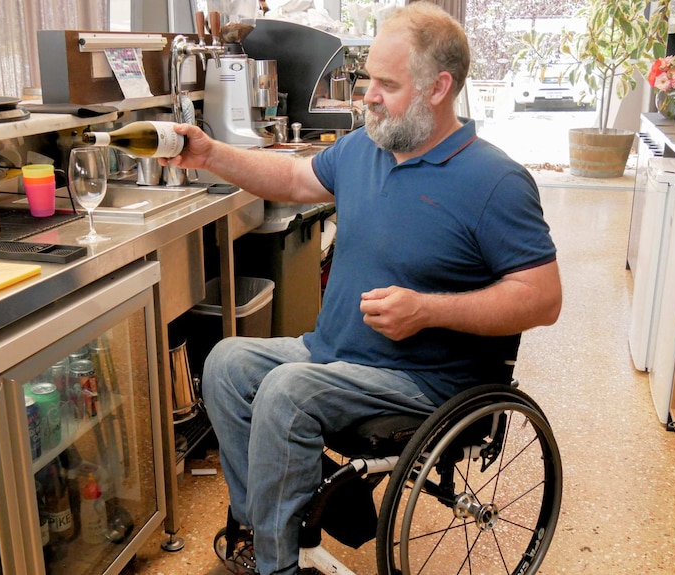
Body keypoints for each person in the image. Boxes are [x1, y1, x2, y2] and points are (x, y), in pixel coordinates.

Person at [165, 3, 562, 574]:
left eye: (386, 84)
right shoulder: (366, 148)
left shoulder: (494, 181)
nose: (367, 95)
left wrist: (428, 310)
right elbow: (296, 178)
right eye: (366, 78)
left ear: (438, 87)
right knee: (227, 362)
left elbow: (543, 298)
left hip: (426, 379)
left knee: (287, 392)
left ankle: (278, 565)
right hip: (336, 351)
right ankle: (276, 524)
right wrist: (210, 155)